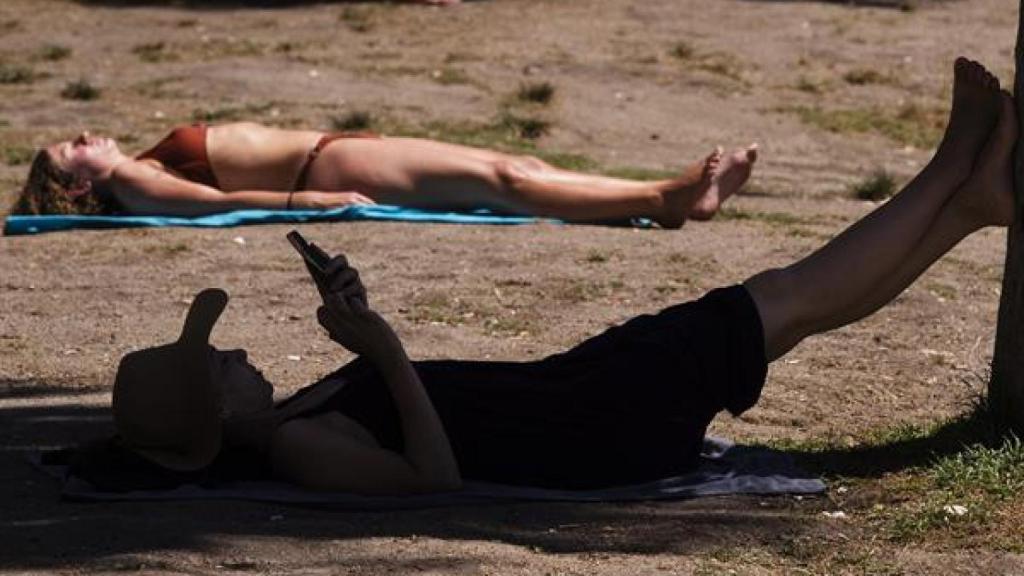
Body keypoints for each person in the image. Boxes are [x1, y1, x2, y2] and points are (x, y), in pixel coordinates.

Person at [81, 58, 1013, 495]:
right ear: (217, 415)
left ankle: (969, 196)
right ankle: (955, 179)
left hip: (576, 395)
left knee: (783, 305)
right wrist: (385, 350)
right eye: (218, 364)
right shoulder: (294, 449)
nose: (238, 351)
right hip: (594, 427)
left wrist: (362, 330)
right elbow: (434, 484)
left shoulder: (286, 422)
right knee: (783, 300)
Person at [10, 119, 758, 229]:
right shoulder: (137, 183)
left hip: (334, 148)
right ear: (78, 189)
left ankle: (673, 197)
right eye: (70, 152)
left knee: (517, 166)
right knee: (503, 178)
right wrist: (312, 197)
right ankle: (665, 198)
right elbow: (219, 201)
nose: (82, 137)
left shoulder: (139, 164)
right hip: (328, 162)